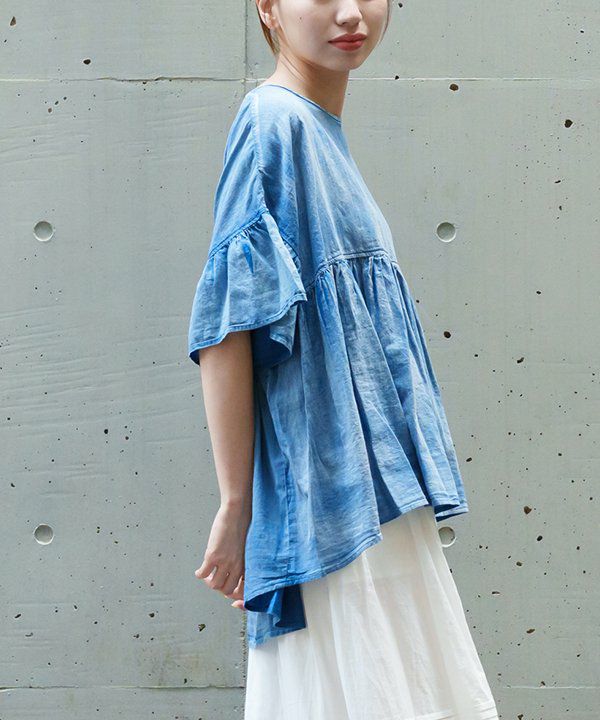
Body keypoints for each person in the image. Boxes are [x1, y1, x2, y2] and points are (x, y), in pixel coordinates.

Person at [188, 1, 500, 718]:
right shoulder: (272, 122)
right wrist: (237, 505)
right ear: (268, 8)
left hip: (369, 495)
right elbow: (229, 326)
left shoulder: (319, 131)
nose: (352, 13)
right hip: (329, 501)